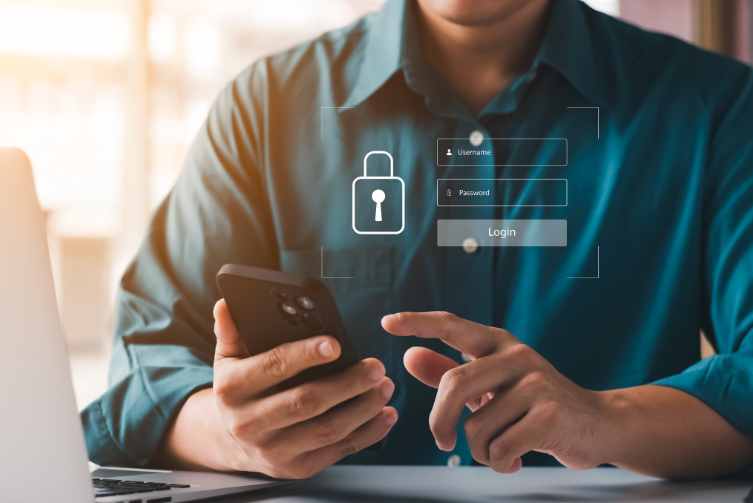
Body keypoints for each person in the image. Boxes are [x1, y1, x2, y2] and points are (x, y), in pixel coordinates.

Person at [82, 0, 753, 480]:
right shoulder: (263, 108)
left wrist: (599, 418)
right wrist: (235, 434)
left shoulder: (714, 106)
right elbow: (146, 368)